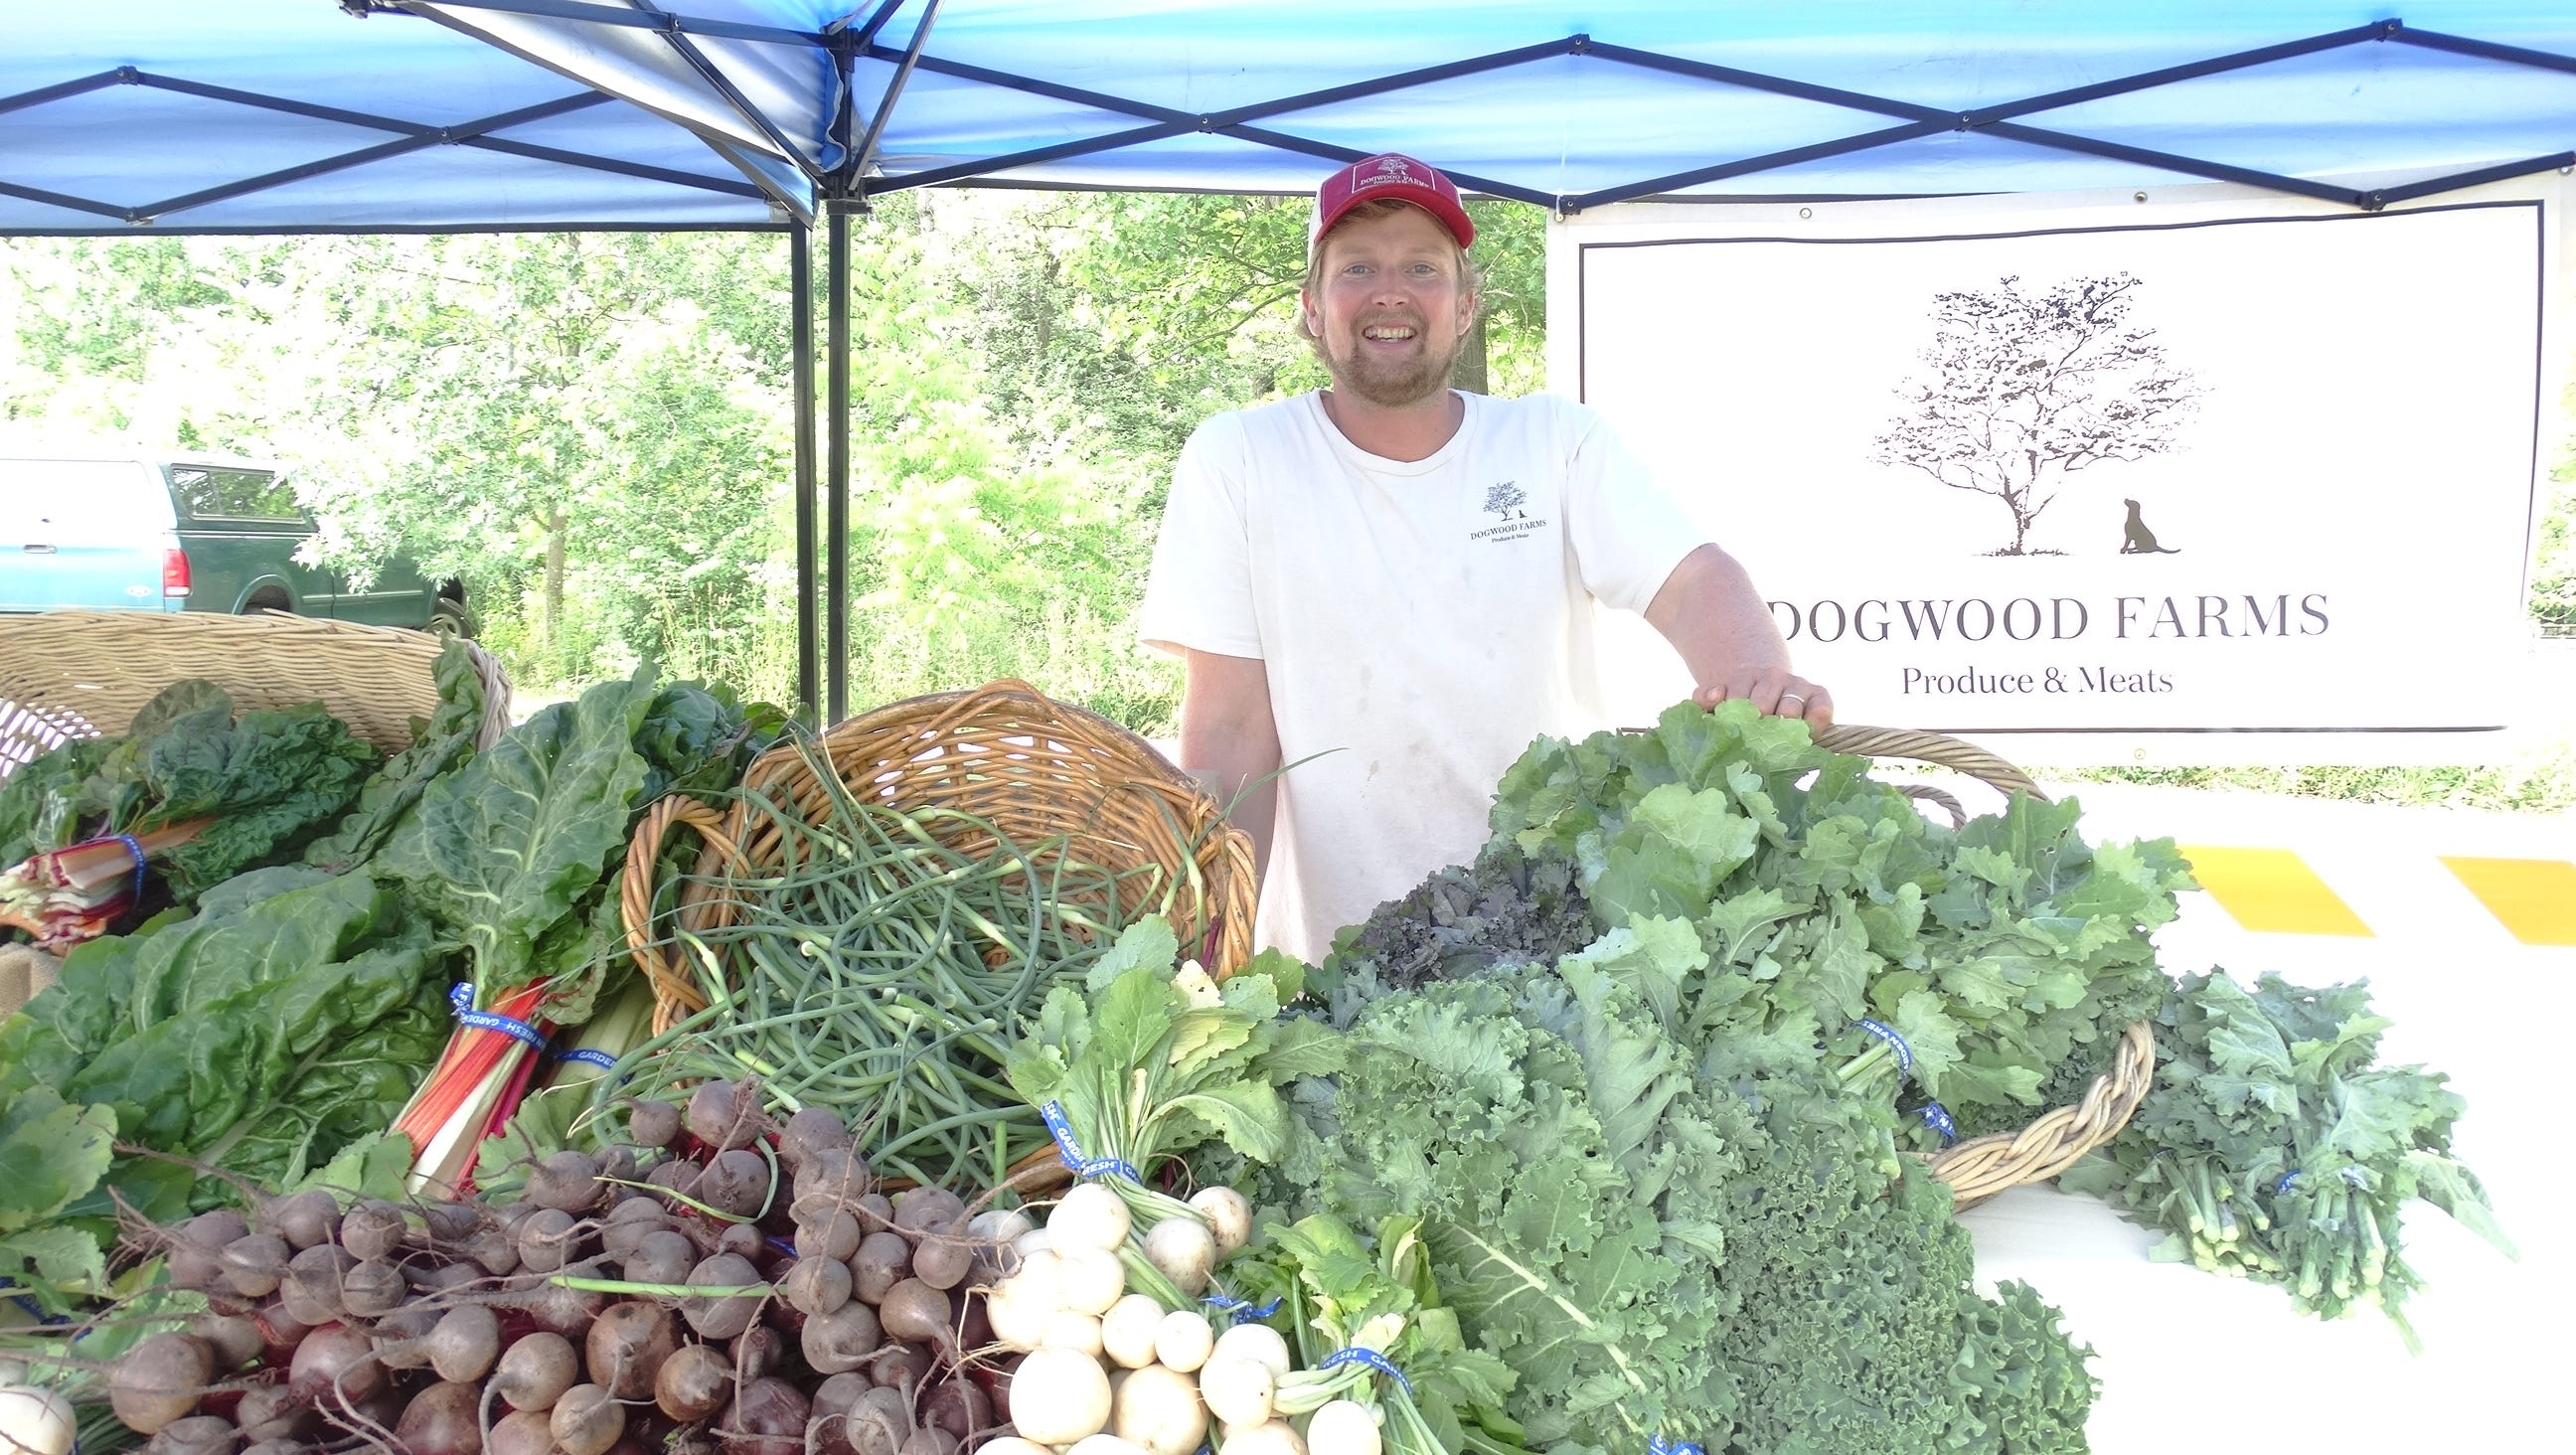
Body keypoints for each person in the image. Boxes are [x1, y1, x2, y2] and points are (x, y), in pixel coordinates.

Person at [1138, 152, 1832, 963]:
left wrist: (1756, 679)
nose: (1390, 290)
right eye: (1357, 267)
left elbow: (1692, 581)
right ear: (1311, 310)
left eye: (1422, 268)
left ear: (1465, 307)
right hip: (1332, 961)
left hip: (1557, 945)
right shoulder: (1241, 457)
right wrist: (1217, 941)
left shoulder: (1554, 441)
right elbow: (1228, 727)